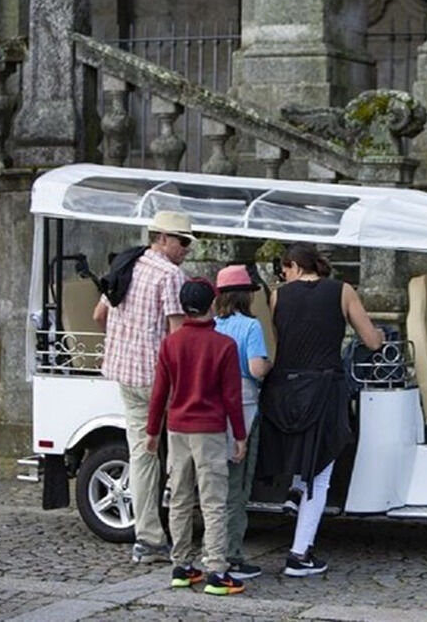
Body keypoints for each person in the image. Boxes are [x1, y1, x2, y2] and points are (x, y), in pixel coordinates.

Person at [257, 243, 384, 577]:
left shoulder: (277, 296)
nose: (283, 275)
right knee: (321, 473)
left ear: (295, 267)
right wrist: (381, 335)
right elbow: (371, 341)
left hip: (284, 390)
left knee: (300, 453)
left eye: (284, 268)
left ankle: (294, 491)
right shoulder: (343, 292)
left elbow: (275, 342)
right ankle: (299, 553)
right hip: (324, 388)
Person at [92, 210, 194, 564]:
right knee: (180, 451)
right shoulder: (170, 275)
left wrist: (124, 340)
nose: (186, 249)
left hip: (124, 373)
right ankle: (182, 534)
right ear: (162, 237)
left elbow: (99, 315)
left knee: (143, 454)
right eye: (182, 241)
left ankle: (147, 538)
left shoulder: (126, 263)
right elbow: (178, 334)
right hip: (158, 379)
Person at [145, 278, 248, 596]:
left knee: (179, 498)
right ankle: (216, 570)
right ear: (213, 305)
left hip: (177, 429)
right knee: (214, 501)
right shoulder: (223, 345)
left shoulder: (170, 344)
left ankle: (181, 566)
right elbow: (232, 396)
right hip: (210, 431)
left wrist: (152, 431)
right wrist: (240, 435)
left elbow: (159, 393)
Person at [213, 264, 273, 581]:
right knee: (238, 484)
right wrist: (268, 362)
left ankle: (212, 550)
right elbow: (256, 368)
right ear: (245, 297)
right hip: (245, 405)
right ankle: (232, 553)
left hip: (211, 410)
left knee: (215, 484)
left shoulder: (210, 325)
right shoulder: (250, 327)